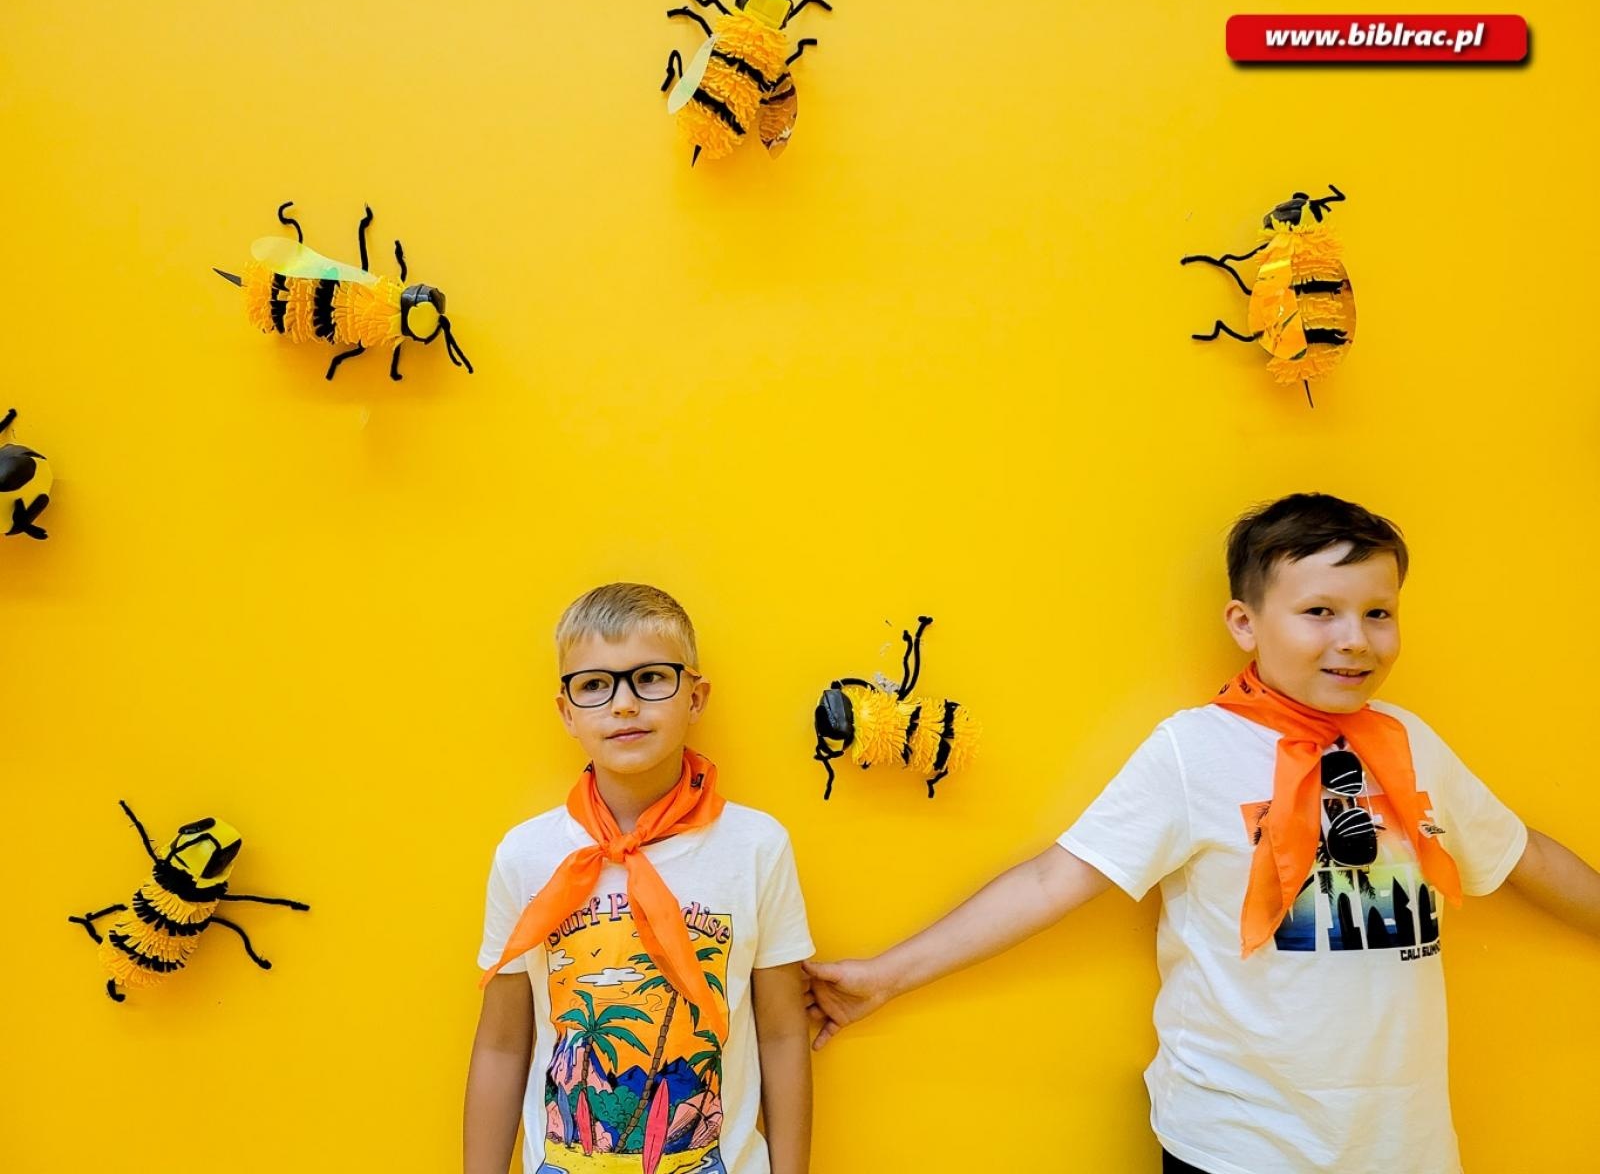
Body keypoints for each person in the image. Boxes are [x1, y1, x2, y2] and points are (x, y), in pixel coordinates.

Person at [805, 493, 1600, 1173]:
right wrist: (888, 974)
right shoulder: (1196, 749)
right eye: (1319, 611)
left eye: (1378, 613)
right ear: (1245, 624)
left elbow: (1519, 852)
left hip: (1403, 1144)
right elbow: (1058, 878)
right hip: (1237, 1142)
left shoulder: (1410, 741)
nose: (1354, 638)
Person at [466, 583, 814, 1174]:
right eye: (595, 685)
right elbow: (502, 1043)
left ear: (696, 697)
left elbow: (782, 1032)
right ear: (566, 712)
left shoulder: (756, 847)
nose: (624, 704)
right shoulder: (525, 855)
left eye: (651, 678)